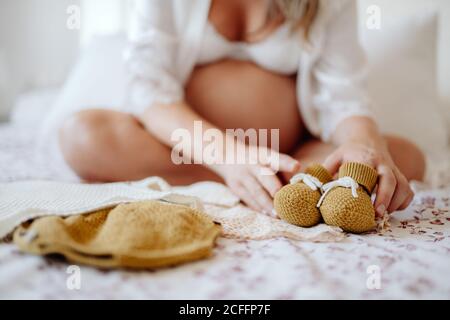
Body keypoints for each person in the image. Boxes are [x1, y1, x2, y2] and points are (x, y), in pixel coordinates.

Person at [58, 0, 425, 217]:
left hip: (291, 153)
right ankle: (259, 182)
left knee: (402, 158)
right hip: (188, 150)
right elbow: (148, 88)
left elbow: (344, 96)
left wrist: (364, 144)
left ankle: (265, 178)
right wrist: (229, 157)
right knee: (81, 135)